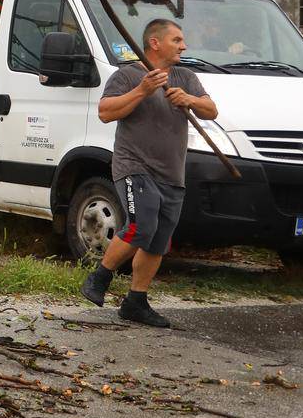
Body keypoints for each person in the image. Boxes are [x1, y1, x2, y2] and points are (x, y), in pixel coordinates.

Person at [80, 18, 218, 327]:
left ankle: (136, 302)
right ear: (155, 43)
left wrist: (190, 99)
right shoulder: (127, 75)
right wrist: (142, 90)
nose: (183, 46)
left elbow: (211, 110)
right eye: (177, 40)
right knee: (141, 225)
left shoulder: (185, 76)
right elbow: (105, 112)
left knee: (158, 240)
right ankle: (99, 277)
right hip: (134, 167)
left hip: (172, 174)